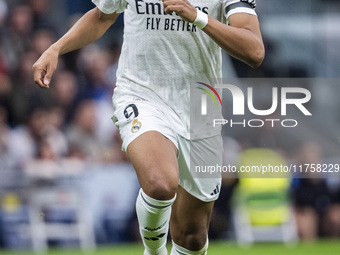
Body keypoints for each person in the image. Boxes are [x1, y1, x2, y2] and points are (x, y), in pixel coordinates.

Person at [32, 0, 264, 254]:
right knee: (160, 183)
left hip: (200, 106)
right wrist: (55, 49)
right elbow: (102, 17)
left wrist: (197, 16)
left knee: (192, 236)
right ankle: (153, 251)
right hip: (141, 93)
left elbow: (254, 50)